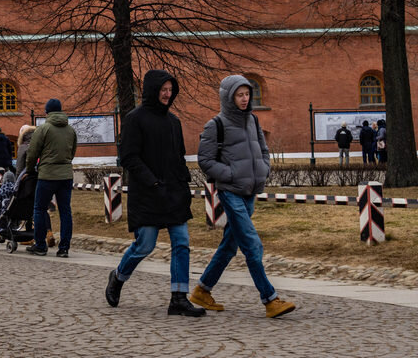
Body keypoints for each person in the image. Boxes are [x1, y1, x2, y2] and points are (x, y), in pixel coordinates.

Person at [191, 74, 296, 318]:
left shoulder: (253, 120)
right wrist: (229, 174)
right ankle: (270, 299)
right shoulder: (215, 125)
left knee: (229, 246)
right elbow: (204, 160)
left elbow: (263, 148)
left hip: (250, 191)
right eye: (239, 94)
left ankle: (202, 290)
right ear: (229, 97)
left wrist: (264, 168)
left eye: (247, 94)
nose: (245, 98)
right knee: (251, 244)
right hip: (230, 192)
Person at [105, 69, 205, 317]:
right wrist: (152, 182)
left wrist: (184, 182)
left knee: (181, 243)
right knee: (145, 245)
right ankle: (118, 277)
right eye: (163, 90)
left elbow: (178, 156)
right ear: (152, 90)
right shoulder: (135, 119)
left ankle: (179, 299)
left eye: (170, 91)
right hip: (147, 193)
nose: (167, 94)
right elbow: (129, 157)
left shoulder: (174, 122)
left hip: (173, 193)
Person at [25, 98, 77, 258]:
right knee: (65, 211)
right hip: (66, 175)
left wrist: (29, 169)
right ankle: (64, 248)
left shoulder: (43, 129)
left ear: (47, 112)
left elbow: (32, 152)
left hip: (47, 175)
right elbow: (72, 152)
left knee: (39, 209)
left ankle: (40, 245)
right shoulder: (70, 130)